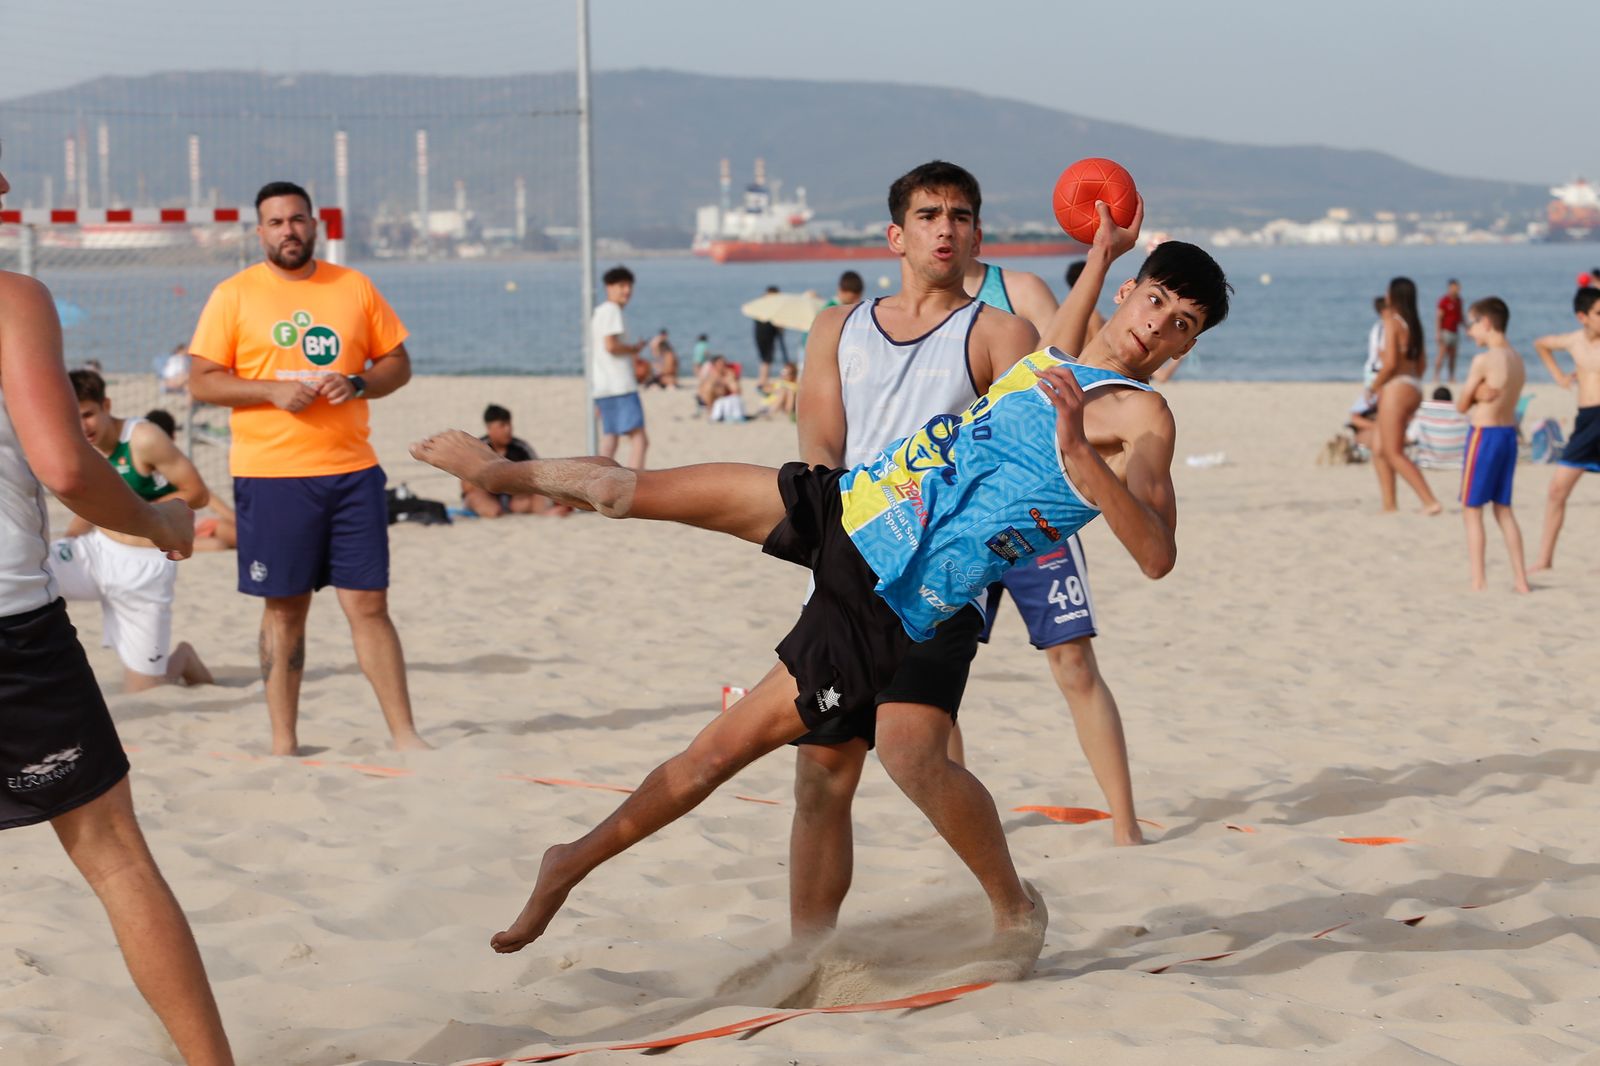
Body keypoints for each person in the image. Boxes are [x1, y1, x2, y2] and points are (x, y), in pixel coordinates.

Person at [409, 223, 1230, 956]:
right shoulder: (1060, 353)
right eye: (1153, 300)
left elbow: (1156, 553)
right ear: (1128, 293)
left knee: (731, 755)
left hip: (893, 596)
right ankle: (499, 470)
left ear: (1183, 348)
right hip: (853, 503)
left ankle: (569, 864)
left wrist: (1084, 462)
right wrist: (1097, 253)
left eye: (1179, 324)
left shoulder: (1141, 418)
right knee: (628, 491)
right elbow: (1072, 326)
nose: (1156, 324)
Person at [0, 158, 235, 1064]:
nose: (9, 187)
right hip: (11, 628)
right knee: (113, 854)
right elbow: (64, 466)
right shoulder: (13, 297)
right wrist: (153, 518)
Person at [187, 180, 429, 756]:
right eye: (275, 222)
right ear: (259, 231)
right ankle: (283, 743)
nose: (288, 230)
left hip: (353, 472)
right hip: (272, 476)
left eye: (297, 220)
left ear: (314, 225)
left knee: (369, 605)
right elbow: (201, 380)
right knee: (286, 609)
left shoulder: (353, 286)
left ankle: (405, 736)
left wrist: (358, 381)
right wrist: (270, 390)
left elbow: (397, 362)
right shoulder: (234, 294)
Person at [961, 183, 1146, 849]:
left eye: (961, 218)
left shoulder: (1024, 293)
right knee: (939, 667)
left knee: (1073, 663)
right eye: (935, 218)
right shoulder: (912, 314)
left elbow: (1086, 356)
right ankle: (948, 821)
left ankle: (1125, 826)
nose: (948, 232)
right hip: (962, 510)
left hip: (1039, 509)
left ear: (978, 231)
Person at [47, 370, 214, 691]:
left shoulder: (143, 438)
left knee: (146, 690)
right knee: (24, 574)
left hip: (145, 568)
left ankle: (183, 658)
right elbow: (94, 503)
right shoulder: (81, 445)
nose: (83, 426)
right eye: (74, 416)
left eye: (89, 415)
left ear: (106, 405)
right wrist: (69, 538)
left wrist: (142, 511)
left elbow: (198, 492)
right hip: (96, 551)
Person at [1455, 297, 1530, 593]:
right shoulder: (1517, 359)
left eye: (1472, 324)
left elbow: (1461, 405)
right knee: (1503, 509)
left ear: (1486, 322)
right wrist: (1478, 394)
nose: (1470, 331)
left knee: (1472, 509)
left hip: (1484, 435)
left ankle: (1478, 580)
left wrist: (1473, 395)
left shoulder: (1484, 360)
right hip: (1508, 434)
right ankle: (1521, 580)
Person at [1531, 285, 1600, 571]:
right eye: (1599, 313)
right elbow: (1541, 344)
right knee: (1557, 490)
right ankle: (1544, 560)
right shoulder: (1573, 341)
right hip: (1586, 423)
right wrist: (1559, 375)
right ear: (1582, 316)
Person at [1371, 276, 1442, 515]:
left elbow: (1390, 363)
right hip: (1413, 385)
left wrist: (1373, 386)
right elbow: (1422, 365)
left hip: (1397, 386)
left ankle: (1429, 500)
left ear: (1393, 295)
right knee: (1379, 448)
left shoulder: (1391, 321)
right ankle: (1389, 505)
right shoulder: (1414, 324)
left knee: (1393, 451)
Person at [461, 404, 570, 517]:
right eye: (502, 425)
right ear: (489, 428)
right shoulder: (478, 448)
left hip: (515, 498)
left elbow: (539, 478)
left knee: (538, 498)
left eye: (509, 424)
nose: (508, 429)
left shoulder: (521, 448)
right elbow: (466, 487)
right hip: (487, 497)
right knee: (480, 501)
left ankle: (547, 515)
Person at [590, 265, 648, 469]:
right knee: (639, 438)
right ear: (609, 287)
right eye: (621, 285)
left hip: (603, 385)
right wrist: (632, 349)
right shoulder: (612, 310)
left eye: (629, 286)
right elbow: (611, 345)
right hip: (620, 385)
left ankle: (598, 481)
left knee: (610, 438)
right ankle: (636, 485)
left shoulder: (599, 312)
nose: (627, 291)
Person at [1348, 296, 1388, 447]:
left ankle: (1378, 431)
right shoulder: (1383, 329)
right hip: (1377, 373)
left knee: (1365, 411)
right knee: (1368, 409)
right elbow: (1382, 355)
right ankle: (1379, 430)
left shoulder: (1379, 328)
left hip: (1375, 373)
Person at [753, 285, 789, 390]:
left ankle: (762, 380)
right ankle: (763, 381)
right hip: (767, 334)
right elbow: (777, 321)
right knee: (767, 359)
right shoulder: (772, 304)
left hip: (759, 333)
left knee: (764, 359)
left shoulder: (761, 303)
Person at [1435, 279, 1464, 383]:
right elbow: (1439, 317)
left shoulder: (1459, 301)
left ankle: (1451, 377)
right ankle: (1436, 376)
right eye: (1455, 287)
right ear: (1450, 288)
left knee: (1453, 356)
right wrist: (1438, 333)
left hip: (1455, 331)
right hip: (1445, 331)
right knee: (1441, 355)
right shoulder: (1444, 301)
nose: (1457, 289)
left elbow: (1460, 316)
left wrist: (1466, 328)